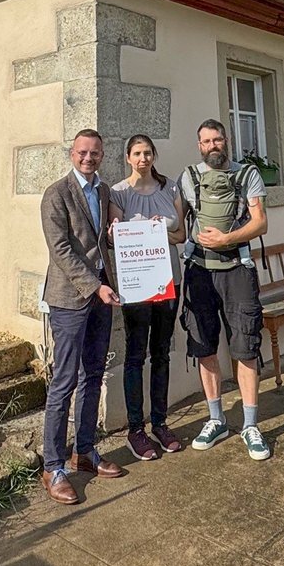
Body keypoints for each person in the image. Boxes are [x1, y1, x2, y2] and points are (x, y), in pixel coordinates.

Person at [174, 119, 272, 461]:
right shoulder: (187, 177)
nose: (212, 145)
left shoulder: (248, 175)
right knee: (204, 347)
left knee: (245, 347)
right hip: (199, 271)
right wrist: (136, 233)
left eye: (217, 140)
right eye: (206, 141)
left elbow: (261, 223)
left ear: (226, 141)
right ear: (198, 145)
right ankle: (216, 419)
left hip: (236, 270)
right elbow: (177, 228)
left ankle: (249, 424)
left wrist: (227, 239)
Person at [39, 129, 126, 505]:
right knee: (63, 382)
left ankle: (85, 452)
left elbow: (100, 243)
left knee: (94, 375)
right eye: (82, 152)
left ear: (102, 156)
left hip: (101, 298)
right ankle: (53, 467)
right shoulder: (56, 194)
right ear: (71, 154)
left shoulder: (104, 192)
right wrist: (96, 286)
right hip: (71, 299)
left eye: (95, 153)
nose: (88, 158)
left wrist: (115, 232)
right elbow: (61, 249)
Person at [107, 135, 186, 460]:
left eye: (148, 152)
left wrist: (159, 231)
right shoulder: (118, 192)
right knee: (136, 357)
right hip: (137, 287)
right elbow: (114, 241)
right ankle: (136, 430)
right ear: (128, 157)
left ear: (154, 156)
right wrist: (116, 233)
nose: (143, 158)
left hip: (168, 282)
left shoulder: (171, 189)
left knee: (162, 354)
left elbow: (181, 234)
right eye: (137, 153)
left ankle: (161, 423)